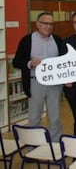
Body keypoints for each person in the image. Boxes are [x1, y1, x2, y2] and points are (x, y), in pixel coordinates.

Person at [13, 12, 67, 142]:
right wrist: (30, 63)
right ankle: (33, 146)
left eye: (51, 24)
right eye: (45, 23)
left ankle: (55, 145)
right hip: (35, 83)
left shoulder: (58, 40)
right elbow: (16, 62)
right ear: (37, 24)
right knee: (34, 118)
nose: (48, 27)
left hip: (54, 84)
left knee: (55, 118)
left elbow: (65, 60)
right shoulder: (27, 40)